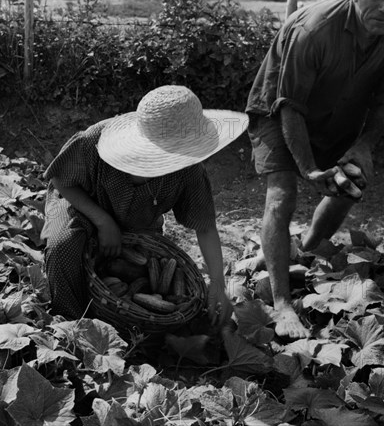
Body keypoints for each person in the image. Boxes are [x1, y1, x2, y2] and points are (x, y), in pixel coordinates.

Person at [245, 0, 384, 340]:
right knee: (281, 194)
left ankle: (304, 250)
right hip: (278, 108)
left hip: (340, 110)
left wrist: (363, 145)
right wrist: (307, 168)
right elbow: (289, 104)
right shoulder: (316, 30)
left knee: (350, 180)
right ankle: (282, 303)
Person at [41, 84, 248, 326]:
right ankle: (69, 321)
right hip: (82, 204)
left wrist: (217, 284)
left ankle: (121, 319)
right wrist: (102, 221)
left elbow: (205, 226)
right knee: (63, 246)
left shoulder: (189, 168)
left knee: (143, 270)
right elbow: (61, 180)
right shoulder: (96, 141)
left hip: (138, 221)